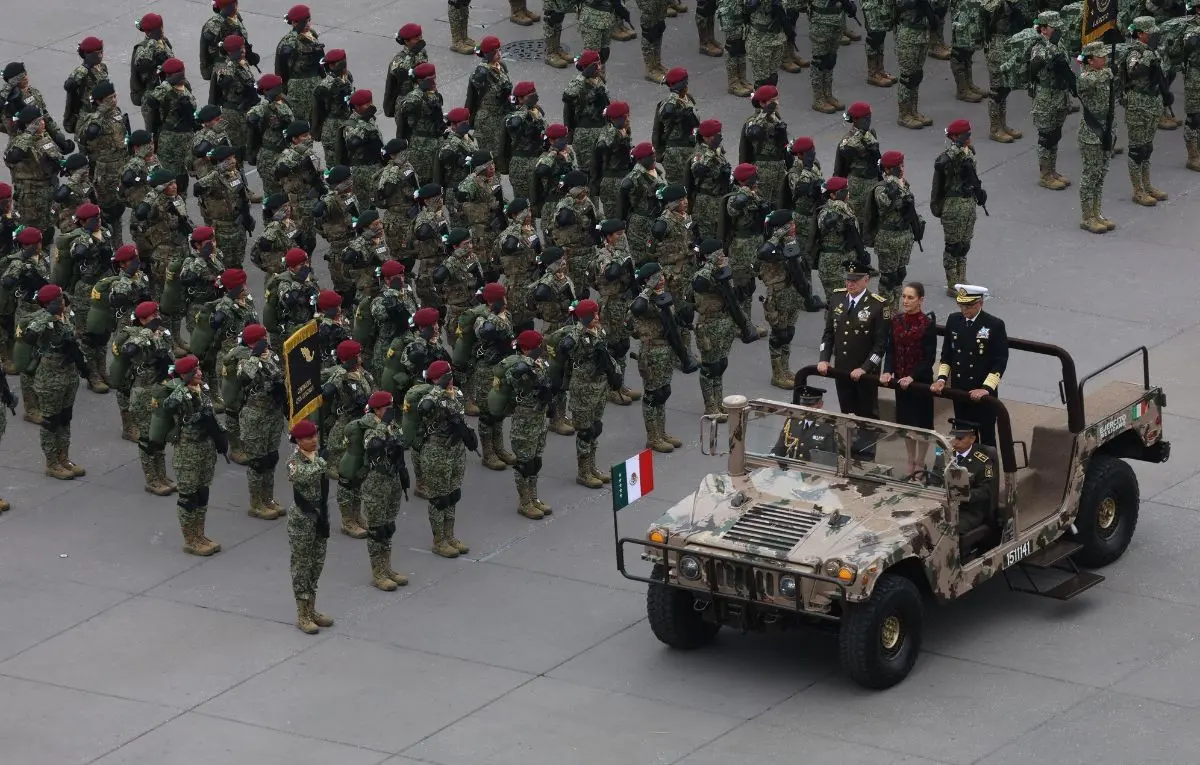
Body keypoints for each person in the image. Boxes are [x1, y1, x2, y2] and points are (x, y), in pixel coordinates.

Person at [146, 354, 224, 556]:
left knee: (202, 493)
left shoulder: (201, 390)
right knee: (188, 497)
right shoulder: (178, 393)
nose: (200, 373)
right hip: (188, 451)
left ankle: (200, 534)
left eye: (198, 369)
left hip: (205, 448)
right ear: (187, 375)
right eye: (195, 371)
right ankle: (190, 539)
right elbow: (170, 407)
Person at [341, 390, 410, 590]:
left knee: (388, 526)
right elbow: (372, 446)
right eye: (387, 408)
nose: (391, 411)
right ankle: (378, 573)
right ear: (377, 410)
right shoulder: (370, 426)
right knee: (377, 529)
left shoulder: (391, 425)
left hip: (393, 479)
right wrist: (383, 426)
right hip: (376, 482)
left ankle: (388, 568)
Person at [18, 285, 87, 478]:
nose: (63, 301)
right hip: (50, 378)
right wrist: (47, 314)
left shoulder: (67, 315)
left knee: (65, 418)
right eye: (59, 298)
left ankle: (64, 457)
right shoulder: (41, 320)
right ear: (50, 303)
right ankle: (52, 463)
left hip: (69, 375)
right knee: (51, 421)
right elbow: (29, 336)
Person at [628, 263, 697, 452]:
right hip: (651, 352)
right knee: (652, 395)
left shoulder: (664, 297)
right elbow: (635, 311)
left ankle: (662, 432)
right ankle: (653, 437)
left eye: (662, 276)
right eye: (657, 277)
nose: (662, 280)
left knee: (664, 392)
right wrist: (649, 288)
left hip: (666, 351)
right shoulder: (643, 300)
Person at [931, 284, 1008, 448]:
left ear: (980, 303)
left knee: (986, 439)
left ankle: (988, 472)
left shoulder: (994, 325)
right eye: (961, 305)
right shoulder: (954, 320)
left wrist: (986, 388)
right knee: (962, 436)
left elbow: (1000, 361)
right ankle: (963, 470)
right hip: (960, 391)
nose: (964, 310)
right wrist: (941, 379)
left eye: (969, 306)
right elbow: (947, 355)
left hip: (983, 393)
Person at [817, 261, 888, 429]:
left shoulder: (878, 305)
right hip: (842, 367)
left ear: (866, 280)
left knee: (867, 415)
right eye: (848, 280)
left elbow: (880, 345)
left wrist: (865, 368)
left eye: (855, 280)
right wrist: (824, 358)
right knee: (846, 411)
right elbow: (828, 334)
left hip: (865, 371)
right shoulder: (837, 298)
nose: (850, 284)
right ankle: (847, 449)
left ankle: (866, 451)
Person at [416, 360, 474, 557]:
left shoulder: (456, 393)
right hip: (436, 452)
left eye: (450, 376)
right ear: (434, 379)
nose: (449, 380)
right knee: (439, 498)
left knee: (452, 494)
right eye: (444, 377)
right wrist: (439, 388)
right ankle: (438, 540)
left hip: (455, 450)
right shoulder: (428, 396)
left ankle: (450, 536)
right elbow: (424, 409)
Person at [231, 323, 288, 520]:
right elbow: (244, 377)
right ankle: (256, 503)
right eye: (264, 337)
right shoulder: (245, 358)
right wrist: (255, 356)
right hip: (255, 416)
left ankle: (268, 498)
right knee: (258, 462)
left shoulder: (271, 355)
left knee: (271, 458)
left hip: (273, 414)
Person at [879, 282, 937, 473]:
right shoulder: (896, 321)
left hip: (920, 381)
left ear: (921, 300)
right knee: (906, 423)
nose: (905, 300)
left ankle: (920, 462)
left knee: (922, 423)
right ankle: (910, 461)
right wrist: (888, 370)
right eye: (904, 296)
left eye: (910, 297)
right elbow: (891, 349)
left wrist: (912, 377)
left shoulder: (927, 324)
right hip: (900, 381)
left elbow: (929, 358)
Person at [285, 419, 336, 634]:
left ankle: (312, 609)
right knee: (302, 567)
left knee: (316, 564)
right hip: (302, 520)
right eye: (308, 438)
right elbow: (308, 475)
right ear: (298, 441)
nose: (314, 440)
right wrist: (322, 462)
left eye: (315, 436)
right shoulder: (294, 462)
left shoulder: (317, 457)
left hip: (320, 516)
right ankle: (302, 614)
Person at [930, 119, 986, 296]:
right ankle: (952, 283)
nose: (969, 139)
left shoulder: (969, 152)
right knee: (953, 246)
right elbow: (939, 165)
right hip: (953, 205)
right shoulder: (949, 155)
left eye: (969, 135)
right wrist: (956, 147)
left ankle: (962, 278)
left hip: (968, 202)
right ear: (955, 137)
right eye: (965, 136)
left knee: (964, 244)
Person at [862, 150, 921, 313]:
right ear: (888, 170)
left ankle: (896, 309)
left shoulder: (903, 183)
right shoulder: (881, 188)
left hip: (904, 236)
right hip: (888, 238)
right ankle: (886, 313)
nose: (902, 169)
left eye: (902, 165)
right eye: (898, 167)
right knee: (888, 278)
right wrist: (894, 187)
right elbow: (886, 204)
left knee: (899, 274)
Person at [1122, 17, 1170, 206]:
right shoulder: (1134, 51)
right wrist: (1150, 56)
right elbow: (1134, 71)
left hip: (1153, 102)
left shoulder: (1153, 50)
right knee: (1137, 149)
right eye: (1150, 32)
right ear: (1140, 34)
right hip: (1138, 104)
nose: (1154, 35)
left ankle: (1147, 185)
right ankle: (1137, 190)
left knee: (1148, 147)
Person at [1028, 12, 1073, 190]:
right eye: (1055, 27)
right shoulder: (1040, 46)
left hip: (1059, 94)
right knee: (1046, 136)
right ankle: (1045, 175)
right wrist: (1047, 59)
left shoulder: (1059, 42)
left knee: (1055, 133)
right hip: (1046, 96)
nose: (1058, 29)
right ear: (1045, 28)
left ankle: (1053, 171)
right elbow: (1034, 67)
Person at [1077, 42, 1117, 234]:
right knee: (1090, 175)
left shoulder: (1105, 73)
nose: (1105, 59)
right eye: (1100, 57)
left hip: (1107, 128)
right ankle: (1087, 217)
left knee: (1101, 174)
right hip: (1092, 133)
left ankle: (1097, 212)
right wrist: (1107, 73)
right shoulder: (1085, 76)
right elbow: (1089, 82)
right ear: (1090, 60)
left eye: (1105, 56)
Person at [945, 418, 995, 546]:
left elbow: (987, 490)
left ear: (972, 439)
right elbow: (934, 477)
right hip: (944, 505)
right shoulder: (945, 455)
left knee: (944, 530)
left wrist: (966, 495)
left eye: (960, 439)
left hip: (969, 511)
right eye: (953, 438)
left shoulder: (984, 461)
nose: (955, 443)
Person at [738, 85, 790, 206]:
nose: (777, 103)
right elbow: (747, 145)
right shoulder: (754, 121)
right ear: (762, 103)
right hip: (763, 170)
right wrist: (764, 113)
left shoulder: (776, 116)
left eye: (777, 99)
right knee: (763, 203)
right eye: (773, 101)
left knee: (780, 203)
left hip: (779, 167)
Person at [274, 5, 324, 124]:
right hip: (299, 91)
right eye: (304, 22)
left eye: (308, 20)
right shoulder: (289, 43)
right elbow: (281, 69)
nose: (308, 24)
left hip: (316, 84)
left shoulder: (311, 34)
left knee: (316, 120)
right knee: (301, 123)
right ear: (295, 23)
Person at [773, 385, 838, 465]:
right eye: (804, 405)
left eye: (811, 405)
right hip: (792, 472)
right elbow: (779, 449)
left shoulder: (829, 427)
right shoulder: (792, 422)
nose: (806, 409)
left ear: (821, 404)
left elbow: (830, 460)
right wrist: (771, 463)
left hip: (816, 474)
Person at [383, 24, 429, 136]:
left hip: (420, 95)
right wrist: (411, 54)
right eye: (416, 38)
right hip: (405, 99)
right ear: (406, 41)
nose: (420, 40)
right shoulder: (399, 59)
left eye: (420, 36)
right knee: (406, 134)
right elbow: (401, 73)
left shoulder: (422, 52)